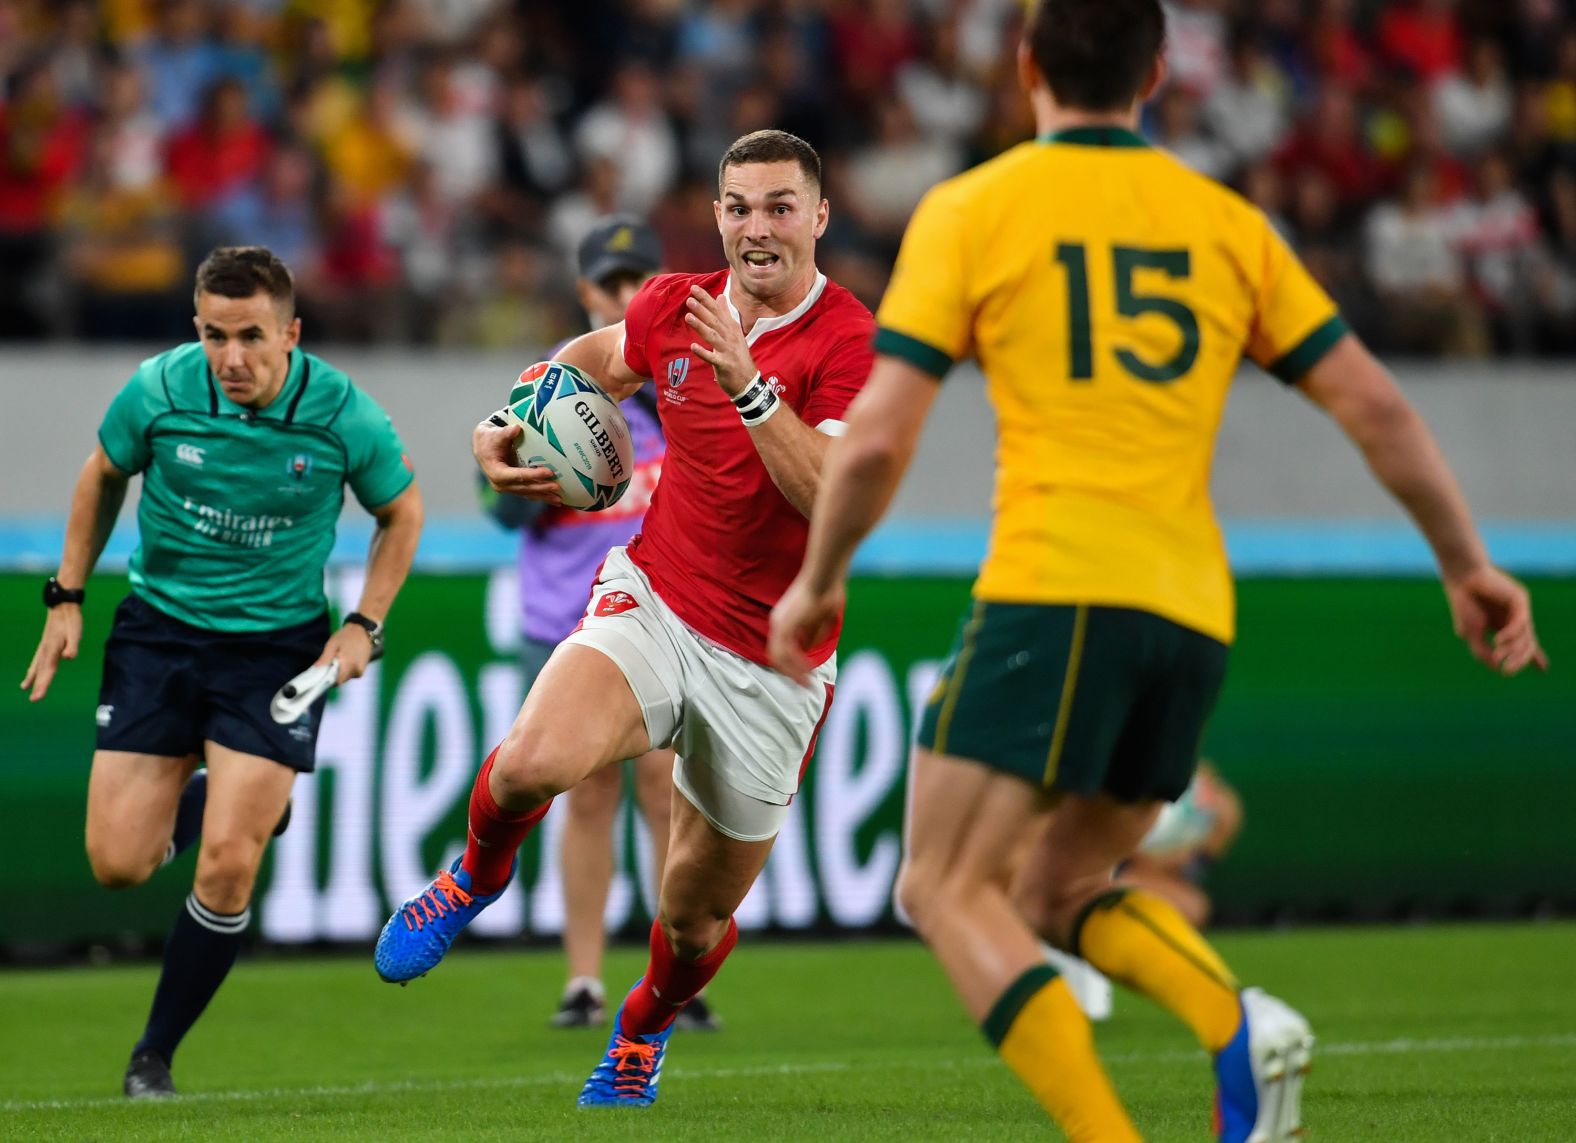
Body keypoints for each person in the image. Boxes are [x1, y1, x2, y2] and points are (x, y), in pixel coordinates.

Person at [767, 4, 1548, 1141]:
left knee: (939, 887)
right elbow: (1371, 402)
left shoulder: (978, 206)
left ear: (1025, 64)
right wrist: (1467, 564)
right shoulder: (1223, 221)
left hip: (1055, 585)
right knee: (1061, 889)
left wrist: (819, 575)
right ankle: (1234, 1019)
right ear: (1157, 74)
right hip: (1189, 610)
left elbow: (878, 435)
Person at [374, 130, 874, 1108]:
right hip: (657, 597)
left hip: (773, 663)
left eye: (779, 206)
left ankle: (642, 1027)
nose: (756, 226)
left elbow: (828, 496)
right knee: (527, 764)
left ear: (818, 217)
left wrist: (748, 383)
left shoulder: (852, 342)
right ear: (717, 216)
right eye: (738, 206)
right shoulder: (669, 307)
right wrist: (508, 419)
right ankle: (474, 877)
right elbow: (590, 359)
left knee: (691, 923)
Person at [21, 246, 424, 1099]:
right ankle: (223, 794)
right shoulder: (160, 390)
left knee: (228, 865)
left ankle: (152, 1055)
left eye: (251, 336)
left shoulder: (342, 414)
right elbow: (101, 474)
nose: (232, 357)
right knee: (118, 864)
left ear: (292, 332)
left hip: (274, 651)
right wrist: (66, 596)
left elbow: (402, 509)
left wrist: (364, 624)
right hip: (159, 633)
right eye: (213, 334)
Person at [482, 214, 717, 1032]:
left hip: (657, 617)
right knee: (582, 795)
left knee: (665, 795)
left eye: (636, 282)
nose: (623, 295)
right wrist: (536, 470)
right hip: (565, 627)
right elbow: (497, 508)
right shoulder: (550, 394)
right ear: (586, 293)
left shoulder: (679, 393)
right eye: (610, 284)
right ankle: (583, 980)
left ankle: (674, 977)